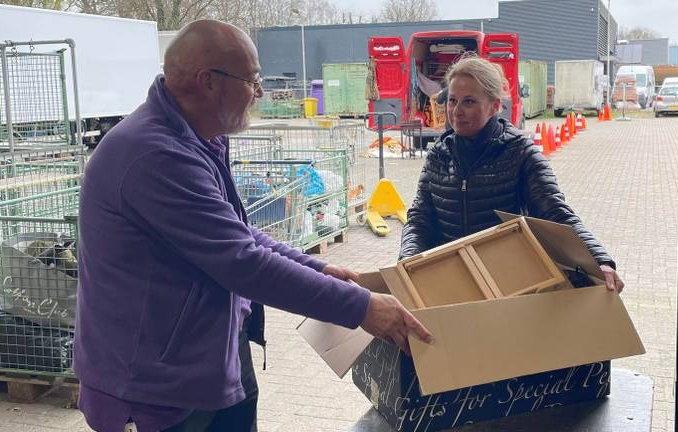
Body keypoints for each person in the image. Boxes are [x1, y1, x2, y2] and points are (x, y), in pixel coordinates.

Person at [74, 20, 431, 432]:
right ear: (209, 82)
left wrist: (316, 267)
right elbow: (242, 263)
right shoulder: (155, 156)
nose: (259, 93)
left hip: (207, 355)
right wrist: (363, 308)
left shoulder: (199, 137)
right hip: (157, 384)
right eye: (253, 80)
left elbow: (236, 232)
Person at [400, 55, 624, 293]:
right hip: (452, 277)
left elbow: (554, 212)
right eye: (452, 100)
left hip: (507, 280)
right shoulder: (438, 154)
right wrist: (407, 262)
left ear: (495, 106)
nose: (457, 111)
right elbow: (419, 218)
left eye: (469, 102)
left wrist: (599, 259)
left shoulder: (520, 153)